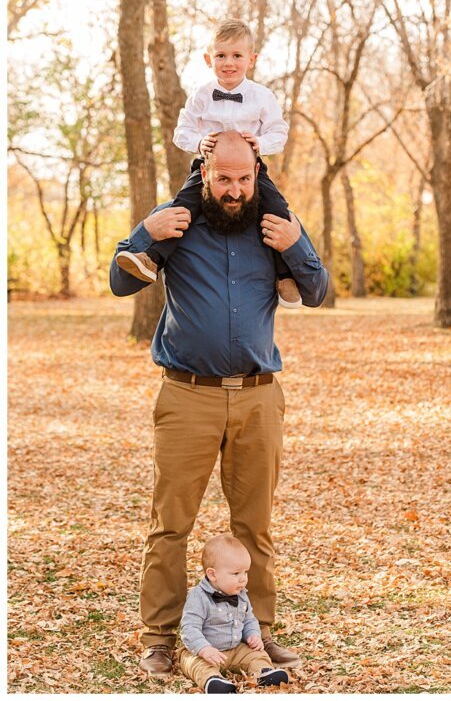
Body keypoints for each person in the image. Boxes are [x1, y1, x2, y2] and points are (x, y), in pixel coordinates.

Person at [110, 132, 329, 677]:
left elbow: (319, 289)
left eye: (244, 179)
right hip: (188, 396)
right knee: (170, 524)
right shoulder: (177, 226)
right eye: (224, 179)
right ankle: (160, 638)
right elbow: (120, 281)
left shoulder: (271, 229)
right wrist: (143, 231)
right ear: (204, 173)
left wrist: (296, 243)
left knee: (254, 526)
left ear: (258, 175)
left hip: (258, 398)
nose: (234, 190)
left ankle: (261, 638)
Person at [114, 18, 301, 308]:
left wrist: (260, 143)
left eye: (237, 55)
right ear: (208, 59)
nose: (229, 62)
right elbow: (182, 132)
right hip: (207, 170)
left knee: (276, 211)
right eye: (221, 55)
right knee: (180, 210)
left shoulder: (262, 96)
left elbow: (279, 132)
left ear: (251, 59)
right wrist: (199, 142)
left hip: (250, 171)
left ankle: (285, 275)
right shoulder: (201, 96)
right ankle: (151, 258)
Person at [179, 534, 291, 693]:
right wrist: (204, 649)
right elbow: (189, 628)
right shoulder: (199, 597)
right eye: (236, 573)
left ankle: (263, 672)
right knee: (194, 663)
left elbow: (249, 619)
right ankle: (212, 681)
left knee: (256, 654)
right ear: (212, 575)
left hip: (236, 649)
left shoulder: (241, 594)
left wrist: (253, 635)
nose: (243, 579)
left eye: (245, 572)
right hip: (206, 652)